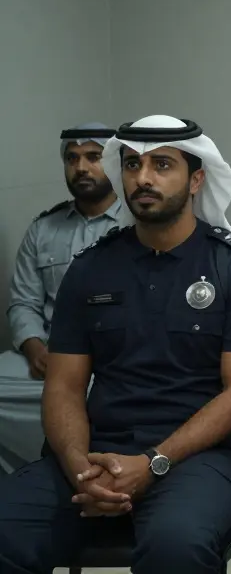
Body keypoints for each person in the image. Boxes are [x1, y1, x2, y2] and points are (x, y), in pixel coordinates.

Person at [0, 115, 231, 574]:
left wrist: (153, 464)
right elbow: (65, 385)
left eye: (162, 165)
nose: (143, 178)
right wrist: (78, 469)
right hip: (96, 452)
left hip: (200, 458)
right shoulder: (90, 269)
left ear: (196, 180)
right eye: (132, 164)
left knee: (176, 547)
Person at [1, 124, 131, 473]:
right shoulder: (43, 229)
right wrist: (33, 347)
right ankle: (21, 477)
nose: (81, 168)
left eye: (93, 157)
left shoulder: (137, 225)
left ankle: (91, 474)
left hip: (111, 360)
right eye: (72, 159)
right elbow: (23, 302)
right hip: (46, 357)